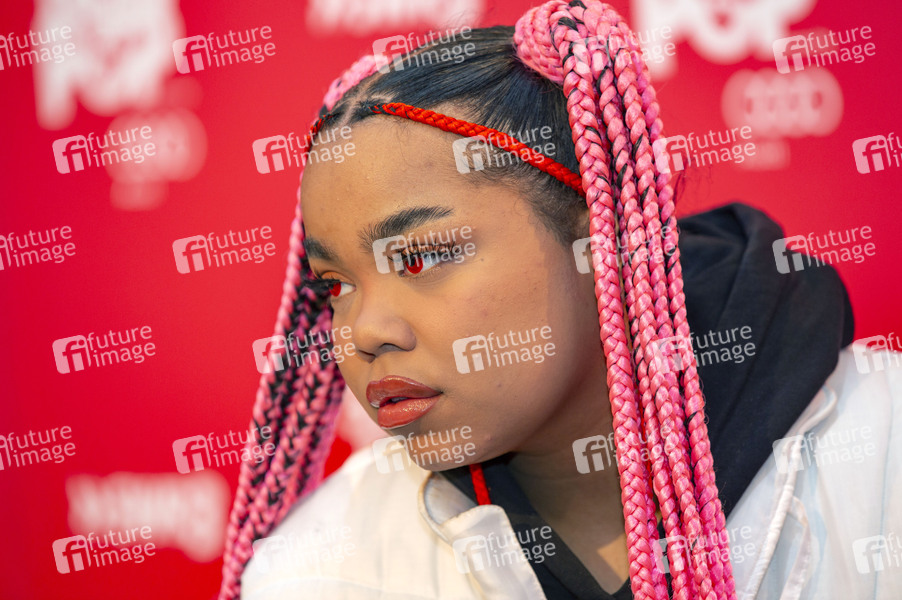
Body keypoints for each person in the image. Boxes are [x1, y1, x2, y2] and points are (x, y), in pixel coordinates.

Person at [218, 2, 902, 599]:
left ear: (601, 239)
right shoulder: (321, 568)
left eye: (420, 257)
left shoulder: (882, 455)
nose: (364, 330)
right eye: (334, 287)